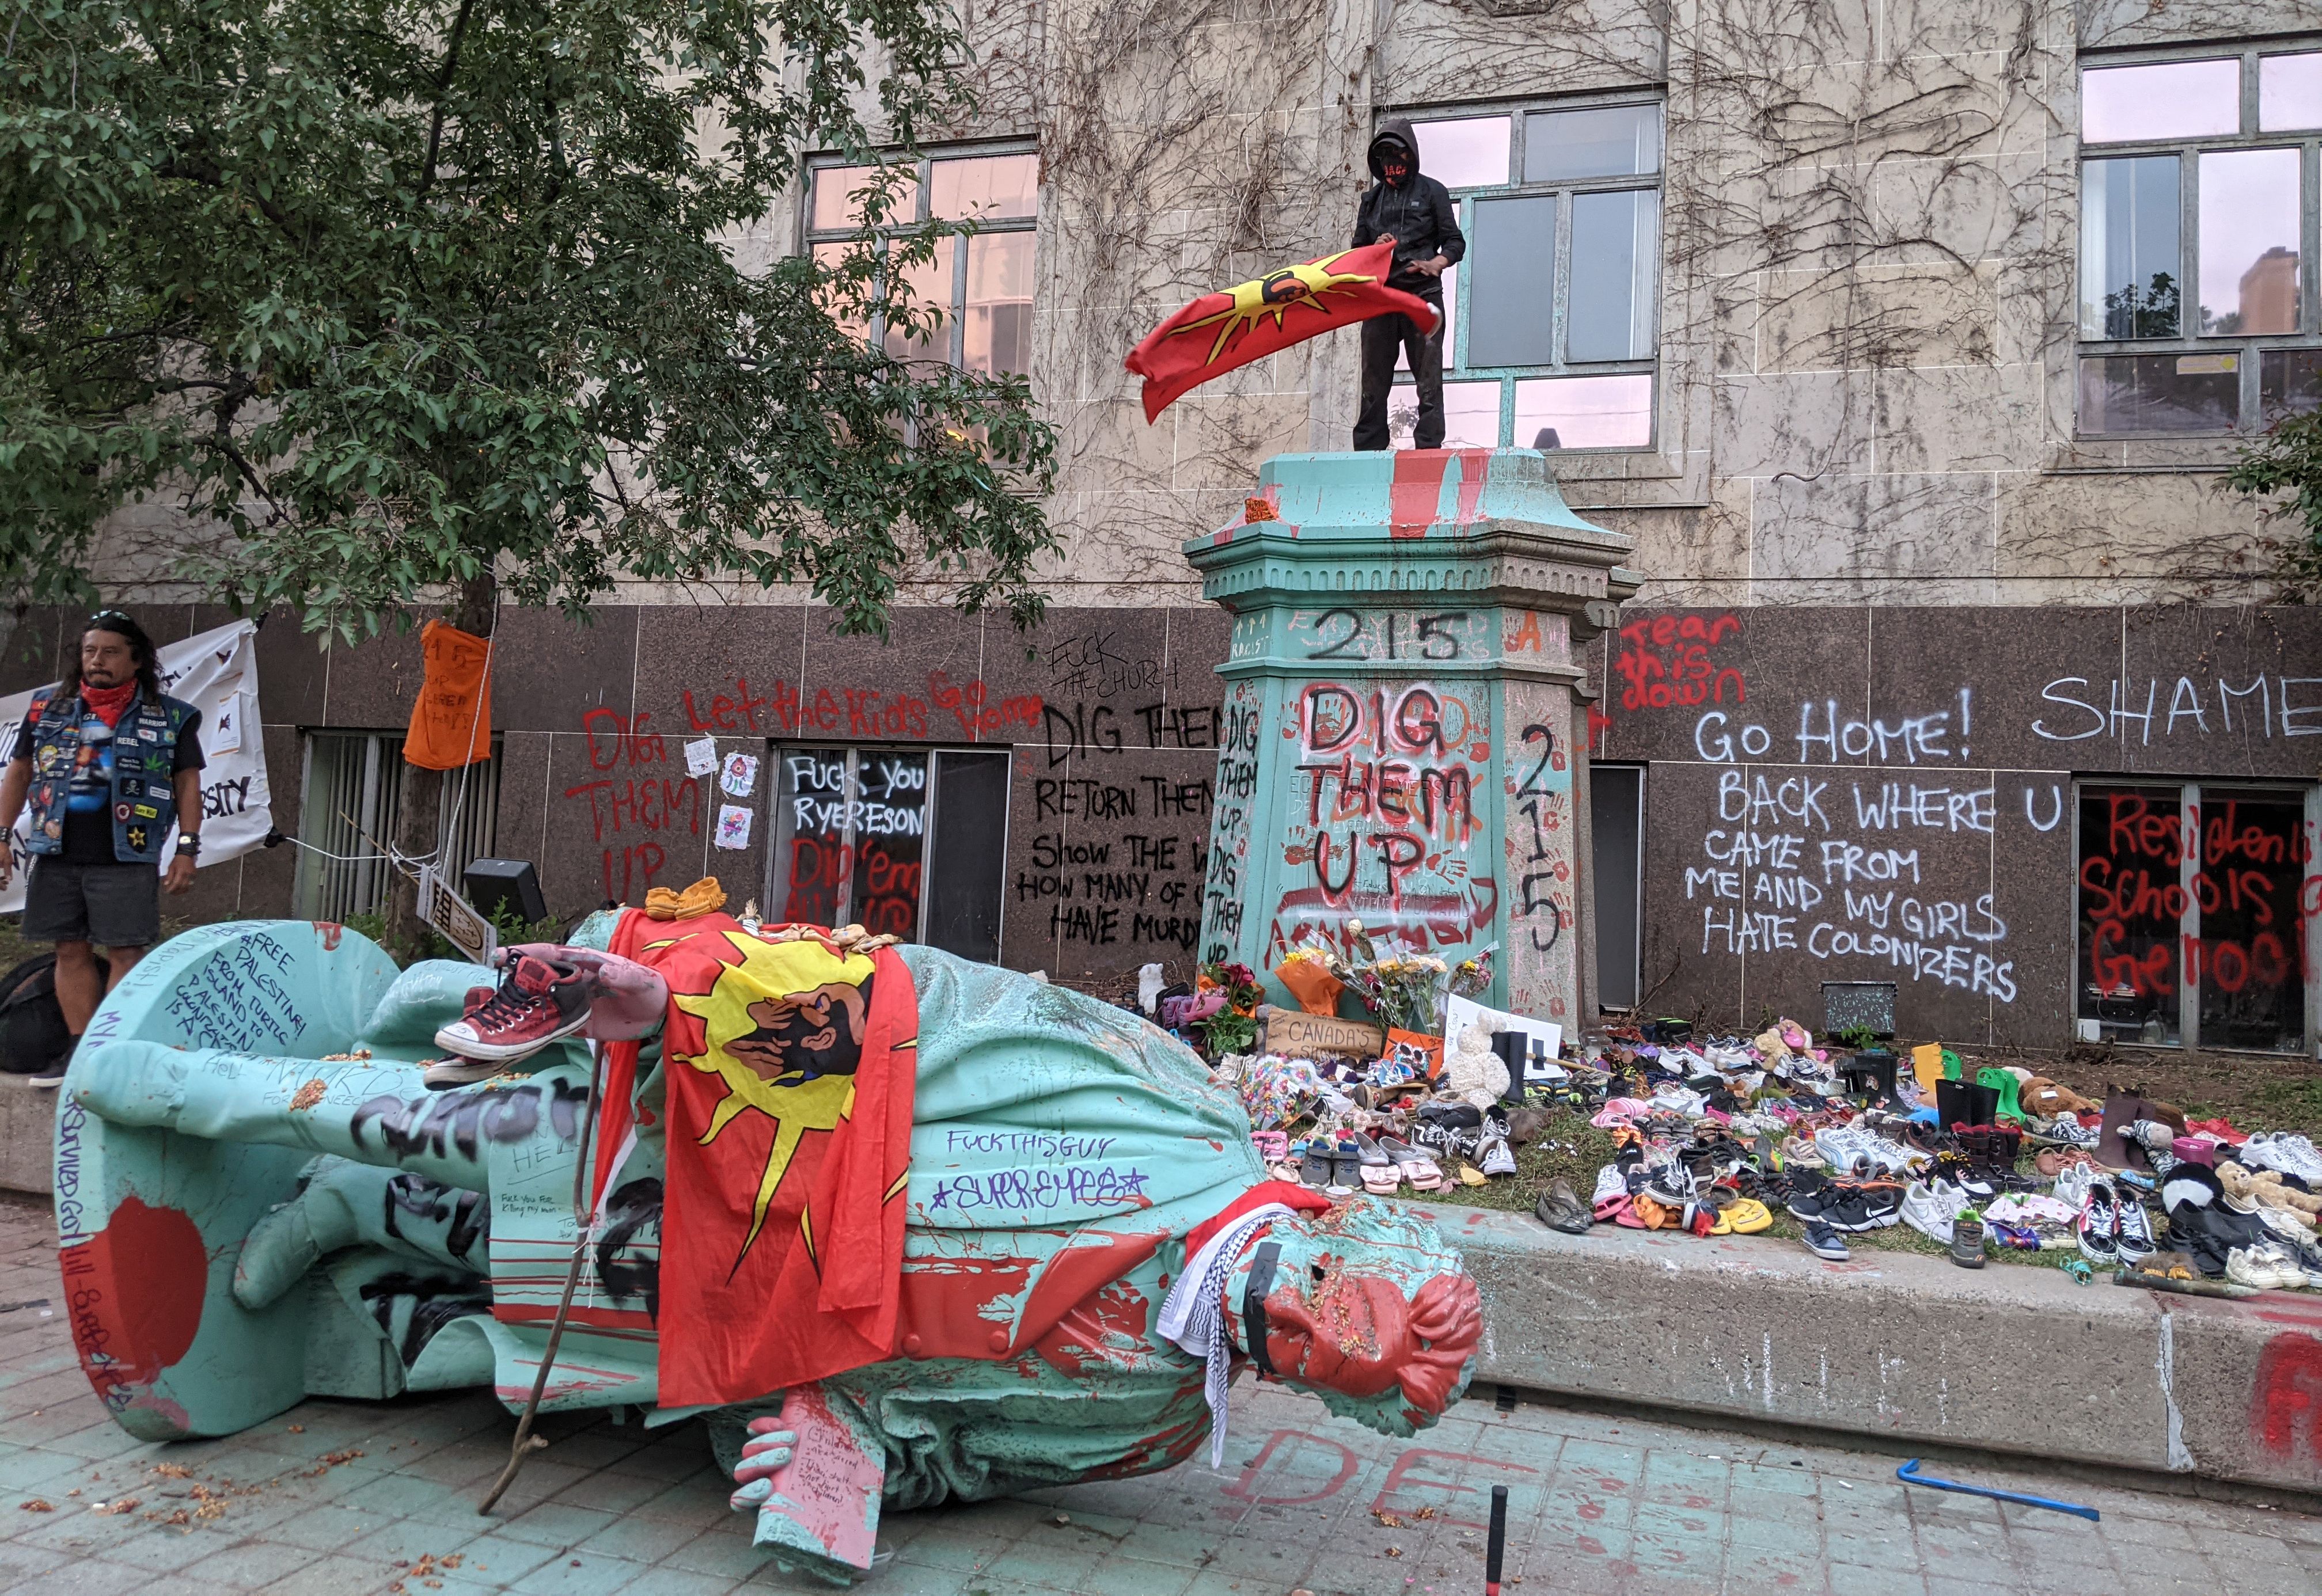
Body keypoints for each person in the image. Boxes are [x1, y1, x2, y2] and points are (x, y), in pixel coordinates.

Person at [0, 610, 204, 1086]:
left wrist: (187, 849)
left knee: (125, 953)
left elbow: (188, 785)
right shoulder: (46, 708)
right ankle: (77, 1051)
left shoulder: (171, 715)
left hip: (126, 853)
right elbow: (20, 774)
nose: (97, 660)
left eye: (110, 652)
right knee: (69, 950)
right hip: (56, 850)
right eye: (90, 651)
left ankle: (111, 1052)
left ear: (136, 661)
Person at [1351, 119, 1466, 451]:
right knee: (1373, 382)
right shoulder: (1371, 201)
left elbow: (1455, 242)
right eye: (1385, 160)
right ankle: (1368, 452)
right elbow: (1357, 252)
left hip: (1422, 295)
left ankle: (1429, 449)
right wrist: (1375, 249)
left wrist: (1436, 263)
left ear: (1410, 156)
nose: (1392, 167)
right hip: (1381, 299)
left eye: (1397, 157)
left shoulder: (1433, 191)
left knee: (1429, 379)